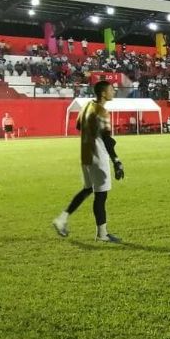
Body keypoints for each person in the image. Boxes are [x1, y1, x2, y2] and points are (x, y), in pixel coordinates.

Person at [52, 80, 124, 243]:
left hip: (85, 154)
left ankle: (62, 219)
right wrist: (117, 161)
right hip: (98, 156)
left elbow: (79, 126)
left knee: (87, 189)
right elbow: (106, 139)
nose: (113, 92)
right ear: (103, 93)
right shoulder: (102, 111)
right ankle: (102, 234)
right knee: (101, 195)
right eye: (111, 90)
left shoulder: (86, 107)